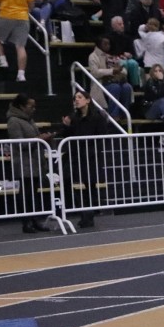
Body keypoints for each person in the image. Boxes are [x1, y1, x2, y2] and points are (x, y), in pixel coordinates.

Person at [60, 89, 110, 228]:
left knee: (90, 185)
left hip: (90, 155)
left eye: (80, 97)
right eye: (75, 98)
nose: (76, 100)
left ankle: (89, 214)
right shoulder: (74, 117)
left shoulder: (97, 117)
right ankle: (83, 211)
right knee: (68, 181)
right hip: (75, 155)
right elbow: (67, 135)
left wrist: (94, 151)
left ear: (88, 100)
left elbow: (102, 136)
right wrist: (66, 126)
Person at [6, 93, 55, 234]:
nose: (33, 109)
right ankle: (26, 222)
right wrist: (39, 139)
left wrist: (41, 138)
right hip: (23, 162)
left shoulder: (28, 119)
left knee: (33, 193)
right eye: (30, 106)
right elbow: (20, 143)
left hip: (33, 161)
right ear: (22, 106)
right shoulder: (14, 121)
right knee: (26, 193)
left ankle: (34, 220)